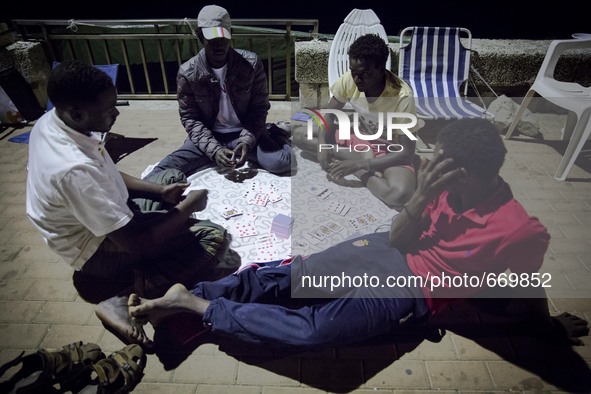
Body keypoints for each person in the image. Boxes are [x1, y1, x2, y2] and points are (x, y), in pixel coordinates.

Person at [125, 118, 589, 349]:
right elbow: (400, 238)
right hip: (389, 251)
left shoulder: (519, 230)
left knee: (313, 330)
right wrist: (423, 197)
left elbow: (521, 291)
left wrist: (547, 328)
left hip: (413, 292)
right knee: (292, 276)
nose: (429, 162)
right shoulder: (444, 188)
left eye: (439, 159)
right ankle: (183, 297)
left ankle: (198, 307)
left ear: (466, 171)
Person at [25, 60, 239, 347]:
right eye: (108, 108)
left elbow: (103, 169)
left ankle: (162, 214)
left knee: (173, 176)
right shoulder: (72, 169)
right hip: (95, 250)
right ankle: (125, 297)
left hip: (106, 216)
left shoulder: (54, 121)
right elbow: (139, 242)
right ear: (77, 112)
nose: (115, 112)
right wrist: (188, 207)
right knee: (214, 239)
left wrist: (161, 191)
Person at [144, 4, 293, 179]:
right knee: (166, 168)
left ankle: (277, 133)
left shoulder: (251, 64)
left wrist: (247, 140)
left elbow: (259, 107)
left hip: (245, 131)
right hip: (210, 134)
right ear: (200, 36)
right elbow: (190, 118)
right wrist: (214, 150)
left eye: (223, 38)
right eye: (212, 39)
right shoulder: (188, 73)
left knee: (282, 162)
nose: (219, 45)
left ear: (230, 36)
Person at [293, 34, 420, 209]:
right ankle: (355, 157)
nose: (357, 79)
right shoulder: (350, 79)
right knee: (300, 135)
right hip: (357, 137)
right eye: (353, 72)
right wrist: (322, 145)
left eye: (364, 74)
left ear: (382, 69)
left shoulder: (402, 97)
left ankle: (360, 168)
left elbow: (407, 153)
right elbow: (329, 114)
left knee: (399, 195)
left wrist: (360, 166)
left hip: (388, 149)